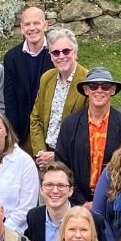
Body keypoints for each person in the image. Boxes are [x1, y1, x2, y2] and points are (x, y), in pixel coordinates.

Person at [56, 66, 121, 205]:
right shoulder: (70, 124)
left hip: (112, 202)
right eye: (94, 86)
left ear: (113, 90)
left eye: (105, 86)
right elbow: (62, 164)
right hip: (74, 201)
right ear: (86, 90)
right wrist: (81, 201)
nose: (99, 91)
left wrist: (102, 202)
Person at [28, 30, 87, 170]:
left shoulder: (87, 83)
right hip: (44, 156)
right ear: (51, 56)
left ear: (75, 53)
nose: (61, 56)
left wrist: (57, 155)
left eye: (66, 51)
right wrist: (41, 152)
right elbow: (35, 118)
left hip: (73, 159)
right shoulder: (47, 78)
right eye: (56, 52)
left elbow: (86, 131)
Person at [2, 4, 53, 145]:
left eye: (36, 23)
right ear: (22, 28)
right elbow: (10, 100)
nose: (32, 28)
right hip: (22, 131)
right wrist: (14, 137)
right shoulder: (11, 57)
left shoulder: (57, 54)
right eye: (27, 24)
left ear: (45, 25)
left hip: (51, 130)